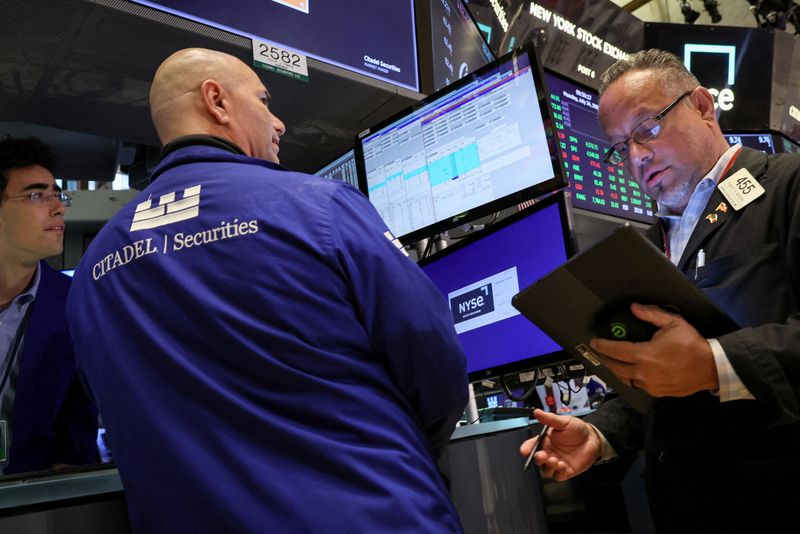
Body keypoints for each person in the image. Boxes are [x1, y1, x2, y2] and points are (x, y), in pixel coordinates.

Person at [67, 48, 468, 533]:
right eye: (264, 100)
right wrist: (406, 450)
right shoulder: (319, 206)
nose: (279, 124)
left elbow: (113, 408)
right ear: (216, 101)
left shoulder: (91, 271)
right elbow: (431, 353)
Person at [520, 49, 800, 532]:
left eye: (647, 129)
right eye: (619, 147)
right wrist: (600, 433)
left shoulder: (788, 186)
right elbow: (656, 384)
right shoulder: (651, 247)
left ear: (703, 106)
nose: (636, 157)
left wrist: (714, 363)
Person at [0, 136, 97, 475]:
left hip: (29, 499)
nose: (59, 207)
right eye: (37, 195)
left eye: (58, 195)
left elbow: (80, 414)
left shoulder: (75, 303)